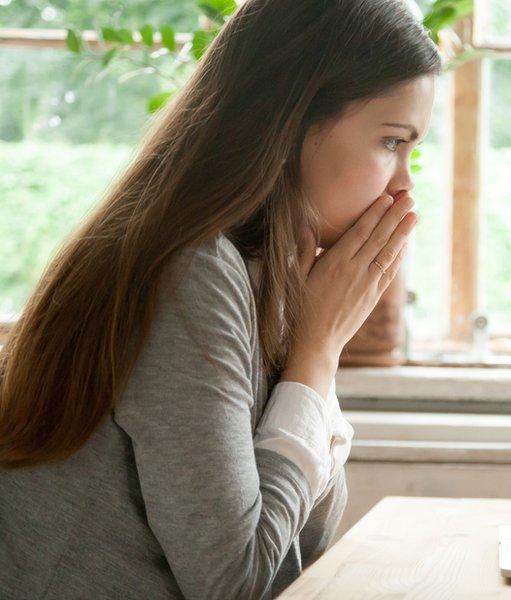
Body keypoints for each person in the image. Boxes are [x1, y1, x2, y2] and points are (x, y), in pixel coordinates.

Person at [0, 0, 439, 597]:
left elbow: (296, 554)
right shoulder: (193, 273)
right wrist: (316, 355)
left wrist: (314, 346)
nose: (404, 181)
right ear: (291, 125)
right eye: (391, 140)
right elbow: (239, 586)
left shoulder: (259, 274)